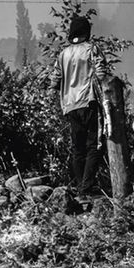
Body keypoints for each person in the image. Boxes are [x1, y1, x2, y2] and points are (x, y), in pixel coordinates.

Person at [57, 14, 103, 197]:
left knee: (78, 148)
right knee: (94, 146)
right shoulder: (91, 49)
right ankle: (87, 187)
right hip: (88, 102)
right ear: (87, 32)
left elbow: (55, 79)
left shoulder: (63, 54)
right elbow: (101, 73)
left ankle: (80, 188)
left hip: (70, 105)